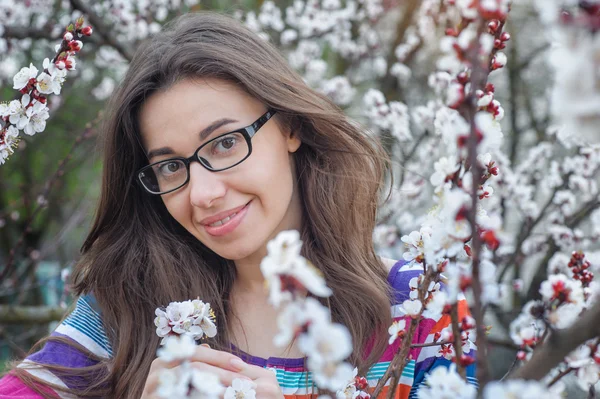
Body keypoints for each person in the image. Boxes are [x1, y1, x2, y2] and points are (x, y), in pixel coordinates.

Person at [0, 11, 476, 399]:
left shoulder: (420, 311)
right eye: (170, 167)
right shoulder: (124, 311)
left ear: (289, 126)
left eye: (225, 143)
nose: (202, 193)